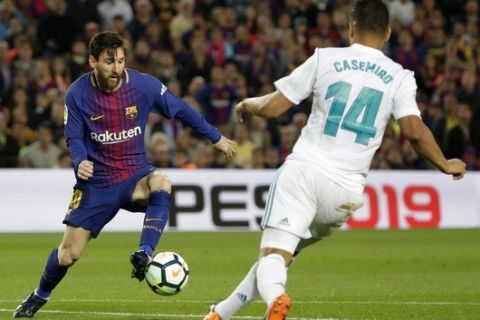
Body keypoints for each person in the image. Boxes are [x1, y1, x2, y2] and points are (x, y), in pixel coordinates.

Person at [203, 1, 466, 319]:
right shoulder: (400, 76)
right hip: (345, 194)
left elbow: (273, 108)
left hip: (304, 173)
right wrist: (444, 163)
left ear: (351, 28)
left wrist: (248, 103)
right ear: (388, 32)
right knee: (282, 255)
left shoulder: (325, 58)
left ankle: (276, 300)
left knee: (274, 254)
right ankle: (221, 314)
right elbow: (414, 131)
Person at [13, 31, 236, 318]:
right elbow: (74, 138)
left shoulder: (143, 85)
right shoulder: (77, 94)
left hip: (135, 173)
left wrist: (216, 138)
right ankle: (38, 296)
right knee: (68, 255)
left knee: (162, 181)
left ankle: (144, 252)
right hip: (97, 184)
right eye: (109, 61)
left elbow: (180, 109)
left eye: (120, 61)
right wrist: (80, 161)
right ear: (92, 62)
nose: (117, 68)